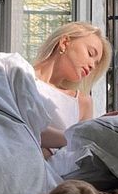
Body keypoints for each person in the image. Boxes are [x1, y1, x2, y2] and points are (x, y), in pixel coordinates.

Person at [32, 21, 112, 158]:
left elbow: (80, 156)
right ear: (64, 42)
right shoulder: (20, 75)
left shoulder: (83, 102)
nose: (92, 65)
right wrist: (83, 134)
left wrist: (96, 130)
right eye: (90, 53)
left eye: (96, 63)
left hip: (57, 177)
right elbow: (20, 126)